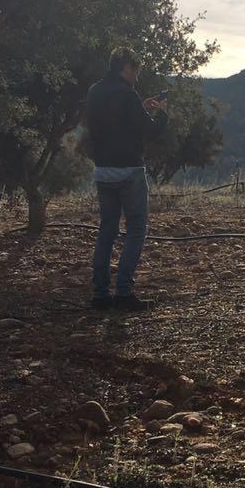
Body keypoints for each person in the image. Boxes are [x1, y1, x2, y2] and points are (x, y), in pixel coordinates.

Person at [84, 47, 169, 310]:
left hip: (102, 170)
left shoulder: (94, 91)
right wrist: (162, 112)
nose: (137, 77)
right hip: (130, 171)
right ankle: (123, 292)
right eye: (136, 71)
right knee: (136, 229)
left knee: (107, 230)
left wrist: (140, 108)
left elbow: (109, 123)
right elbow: (152, 131)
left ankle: (100, 294)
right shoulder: (128, 94)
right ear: (126, 68)